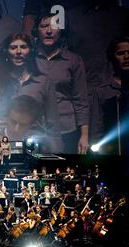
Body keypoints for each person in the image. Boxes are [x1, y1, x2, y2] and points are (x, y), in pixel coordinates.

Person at [0, 33, 62, 153]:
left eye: (23, 47)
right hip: (1, 146)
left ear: (30, 51)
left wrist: (57, 155)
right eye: (13, 48)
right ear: (6, 52)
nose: (18, 51)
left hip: (34, 147)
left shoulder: (43, 81)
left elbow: (53, 124)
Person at [35, 12, 89, 154]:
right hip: (36, 129)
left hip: (66, 129)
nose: (48, 31)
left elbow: (81, 100)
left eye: (54, 26)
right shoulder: (29, 60)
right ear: (37, 31)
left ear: (61, 30)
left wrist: (84, 135)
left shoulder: (73, 60)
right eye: (44, 26)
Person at [90, 37, 129, 155]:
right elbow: (96, 128)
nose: (126, 57)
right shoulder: (103, 91)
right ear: (112, 57)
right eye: (120, 53)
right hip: (114, 151)